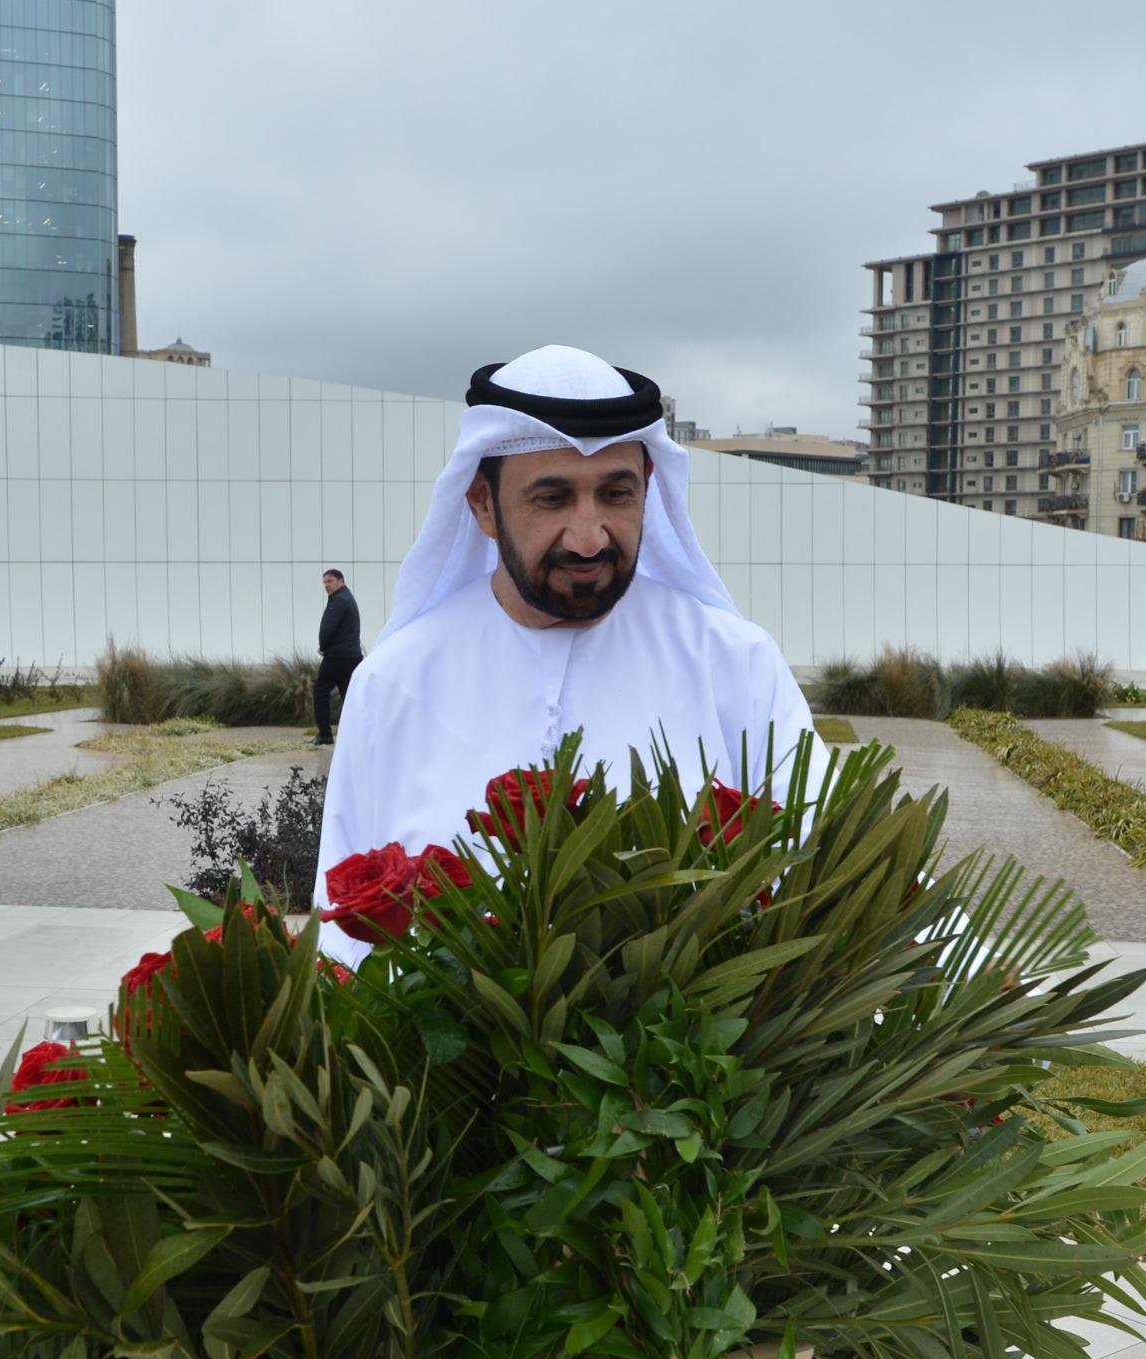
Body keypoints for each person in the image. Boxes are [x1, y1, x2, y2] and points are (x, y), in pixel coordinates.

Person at [313, 345, 815, 961]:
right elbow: (340, 943)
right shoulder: (394, 682)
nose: (588, 538)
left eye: (616, 494)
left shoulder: (736, 664)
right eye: (551, 499)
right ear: (482, 503)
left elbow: (829, 884)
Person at [312, 568, 361, 746]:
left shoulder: (338, 600)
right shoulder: (348, 598)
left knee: (320, 690)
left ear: (341, 581)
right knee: (349, 695)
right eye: (325, 582)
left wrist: (323, 647)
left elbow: (327, 629)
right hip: (352, 655)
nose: (327, 585)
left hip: (337, 656)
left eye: (330, 581)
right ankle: (356, 734)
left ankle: (325, 734)